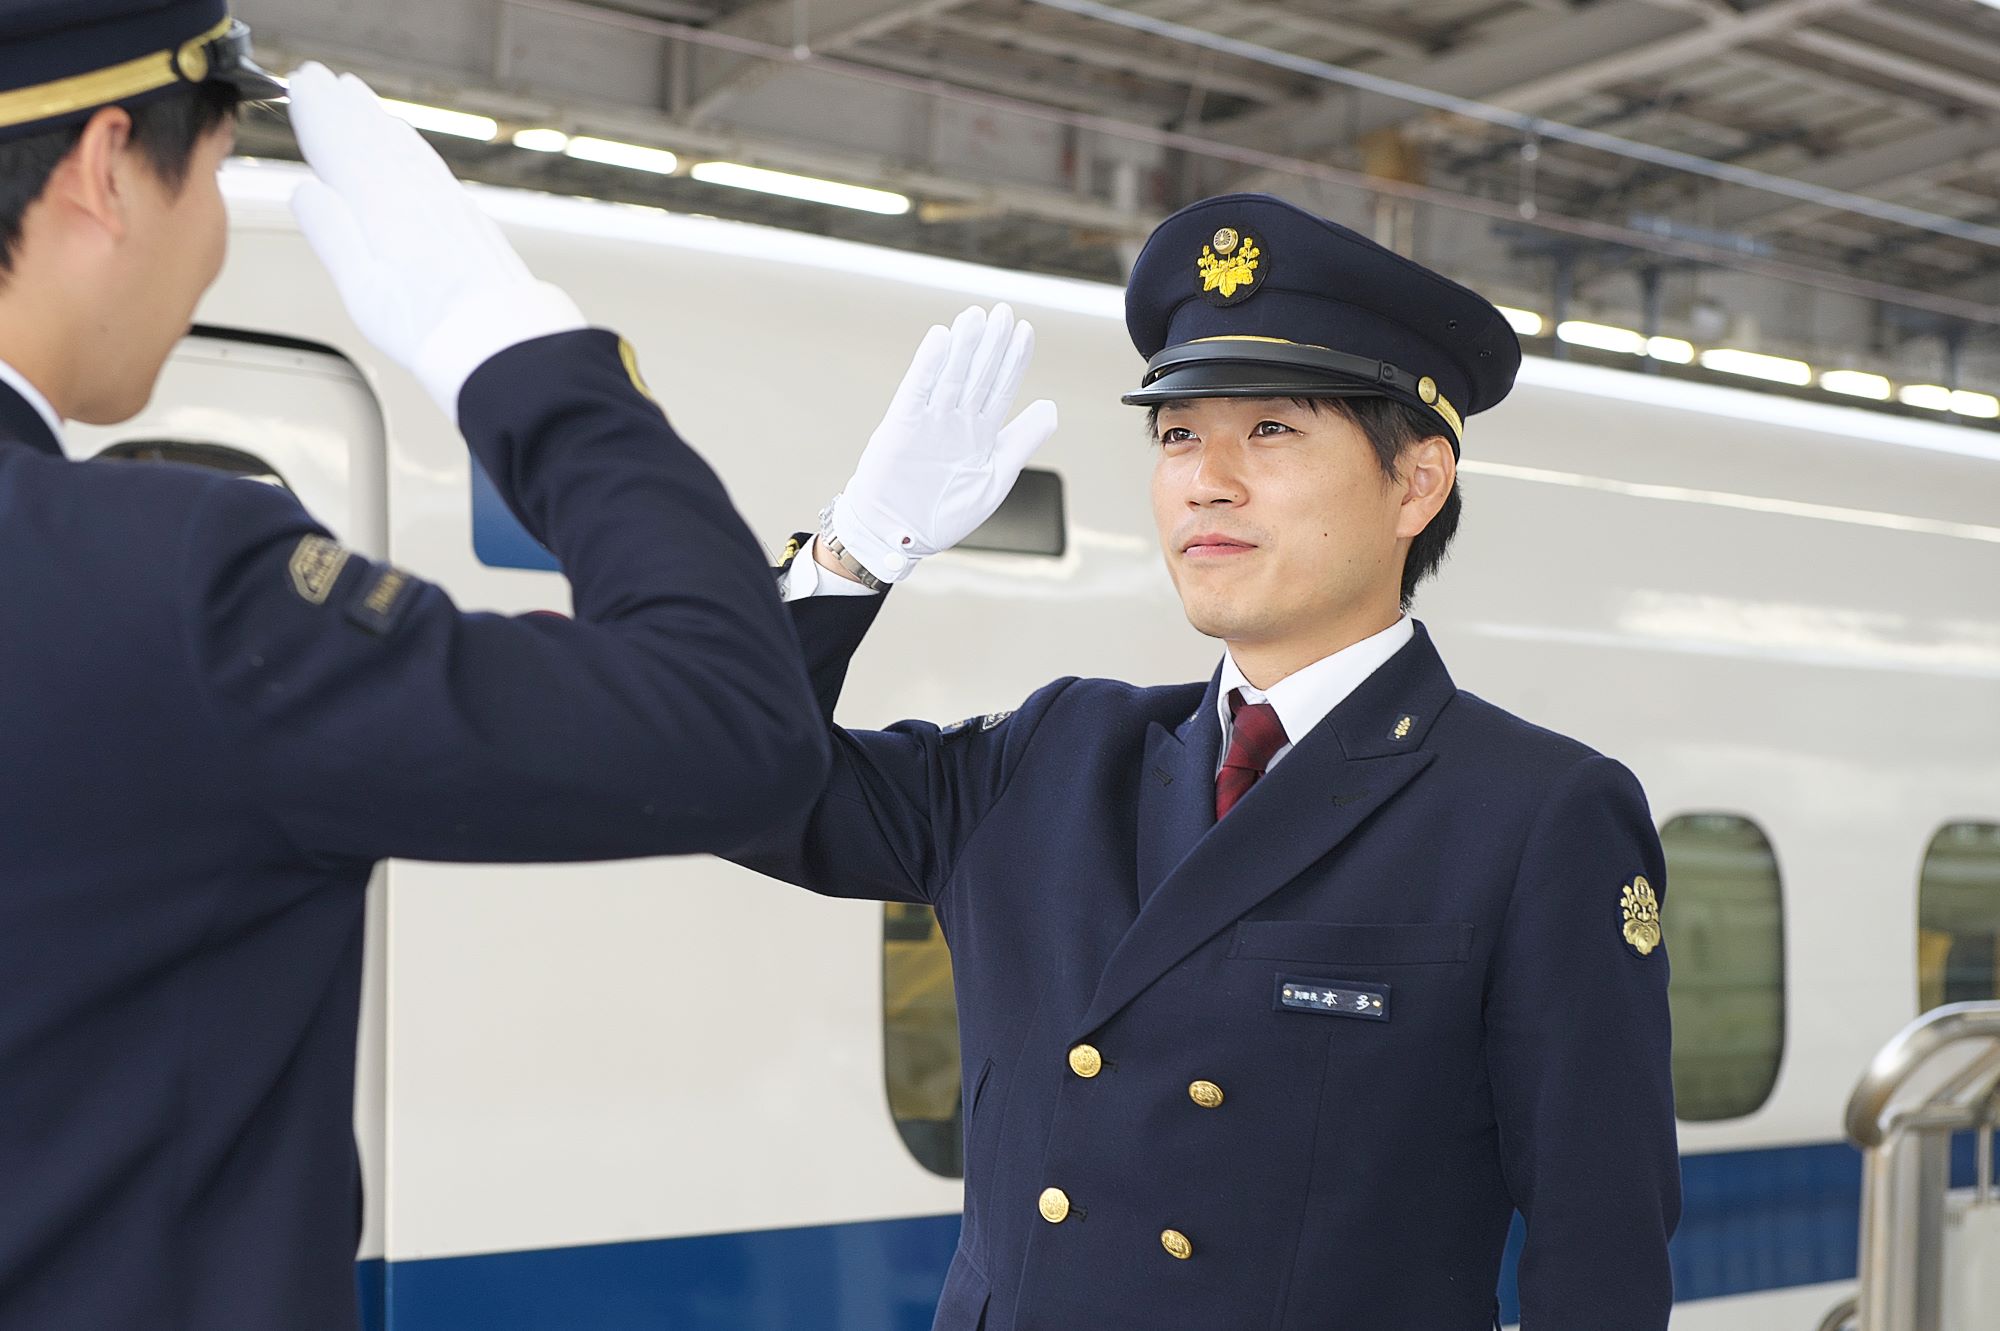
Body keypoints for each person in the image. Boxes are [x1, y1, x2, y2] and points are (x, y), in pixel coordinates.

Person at [0, 4, 828, 1326]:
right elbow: (730, 719)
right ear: (107, 166)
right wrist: (519, 352)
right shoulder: (175, 586)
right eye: (213, 173)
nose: (211, 239)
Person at [739, 193, 1681, 1329]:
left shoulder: (1532, 812)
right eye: (1179, 433)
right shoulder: (1053, 756)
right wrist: (852, 549)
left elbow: (1599, 1246)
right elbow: (731, 782)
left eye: (1270, 430)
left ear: (1415, 482)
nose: (1204, 478)